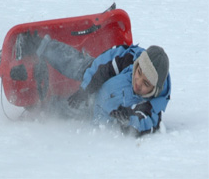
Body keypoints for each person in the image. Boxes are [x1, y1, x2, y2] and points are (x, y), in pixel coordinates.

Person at [16, 31, 171, 136]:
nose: (138, 83)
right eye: (138, 74)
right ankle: (37, 45)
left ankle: (38, 108)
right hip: (96, 83)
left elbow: (147, 122)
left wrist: (128, 119)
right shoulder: (129, 60)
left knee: (66, 109)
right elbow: (104, 66)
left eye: (146, 83)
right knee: (77, 64)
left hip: (97, 113)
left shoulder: (152, 103)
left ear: (155, 89)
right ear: (137, 65)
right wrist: (86, 89)